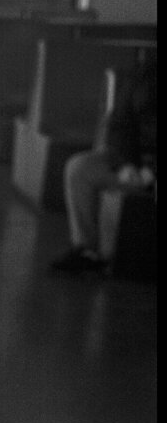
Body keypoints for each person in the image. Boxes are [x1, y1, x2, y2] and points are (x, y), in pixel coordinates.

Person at [50, 57, 157, 274]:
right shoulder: (145, 72)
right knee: (80, 167)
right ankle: (86, 249)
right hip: (136, 163)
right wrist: (125, 164)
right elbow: (119, 124)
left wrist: (153, 172)